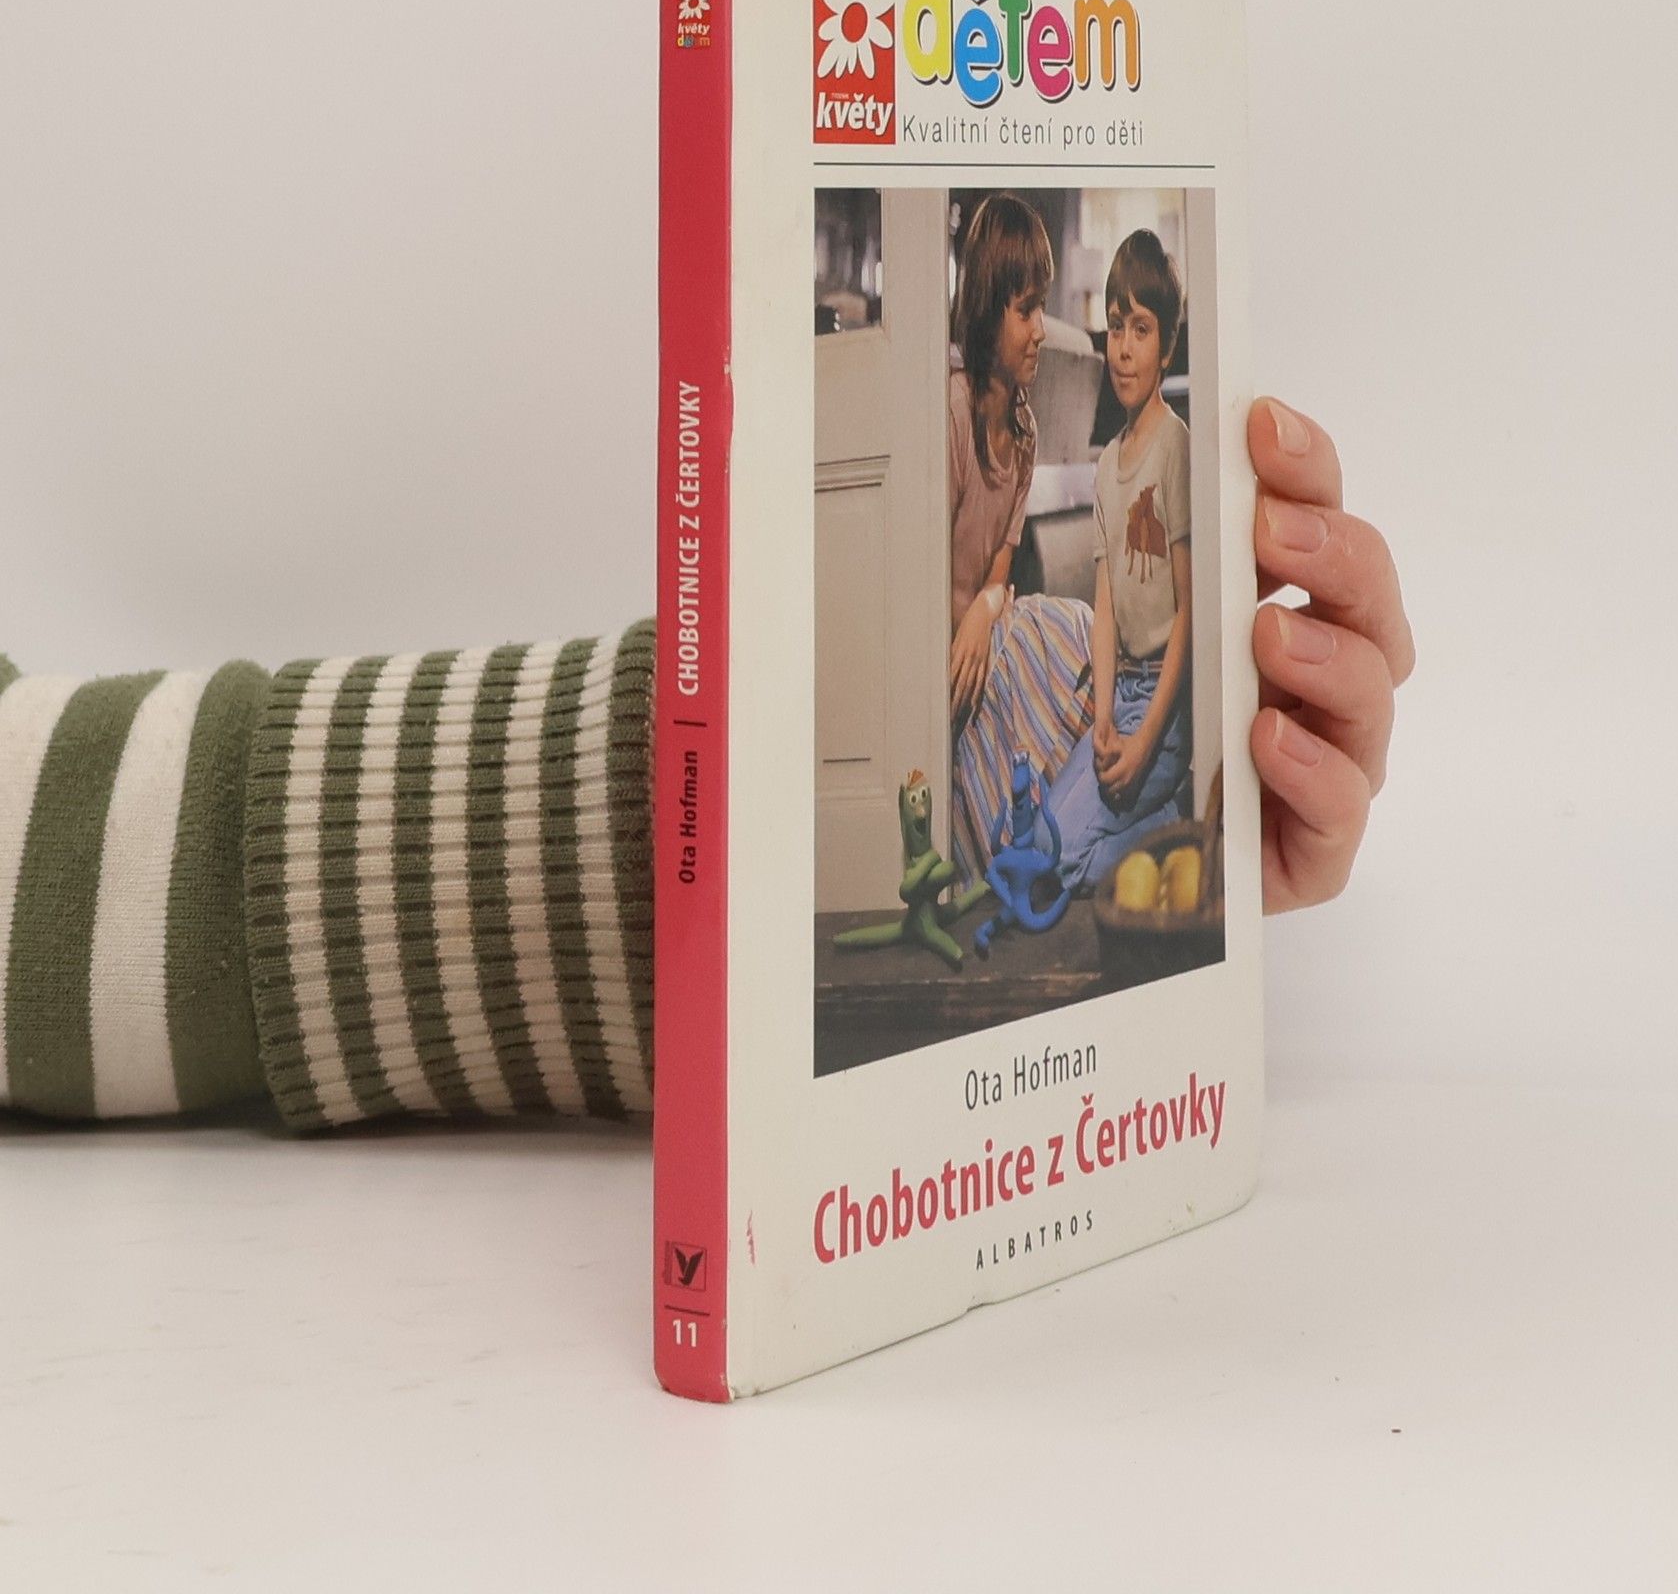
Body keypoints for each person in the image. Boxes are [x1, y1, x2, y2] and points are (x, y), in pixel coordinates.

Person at [0, 407, 1412, 1127]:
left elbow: (1012, 564)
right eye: (1027, 301)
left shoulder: (1044, 445)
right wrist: (682, 834)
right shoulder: (946, 420)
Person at [945, 193, 1098, 881]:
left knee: (1077, 628)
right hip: (944, 659)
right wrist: (970, 625)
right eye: (1025, 310)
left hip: (987, 630)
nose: (1040, 331)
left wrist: (987, 608)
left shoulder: (1026, 430)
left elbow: (1000, 571)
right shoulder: (952, 411)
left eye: (1042, 310)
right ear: (988, 309)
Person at [1050, 231, 1193, 891]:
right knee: (1044, 840)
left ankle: (1174, 824)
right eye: (1114, 328)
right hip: (1124, 694)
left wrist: (1143, 742)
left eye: (1141, 329)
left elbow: (1189, 612)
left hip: (1166, 709)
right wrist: (1103, 719)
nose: (1124, 348)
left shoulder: (1176, 448)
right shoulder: (1108, 464)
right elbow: (1105, 609)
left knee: (1070, 865)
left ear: (1166, 346)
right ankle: (1145, 821)